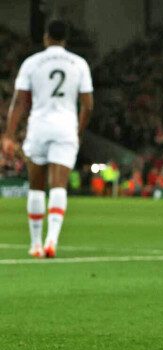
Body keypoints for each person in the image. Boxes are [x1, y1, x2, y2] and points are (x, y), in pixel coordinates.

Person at [1, 19, 94, 258]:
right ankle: (52, 240)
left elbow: (19, 102)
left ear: (46, 37)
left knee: (36, 186)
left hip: (39, 126)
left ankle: (35, 244)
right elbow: (88, 105)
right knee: (58, 185)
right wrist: (77, 132)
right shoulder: (79, 64)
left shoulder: (32, 63)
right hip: (65, 127)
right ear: (66, 39)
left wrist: (9, 135)